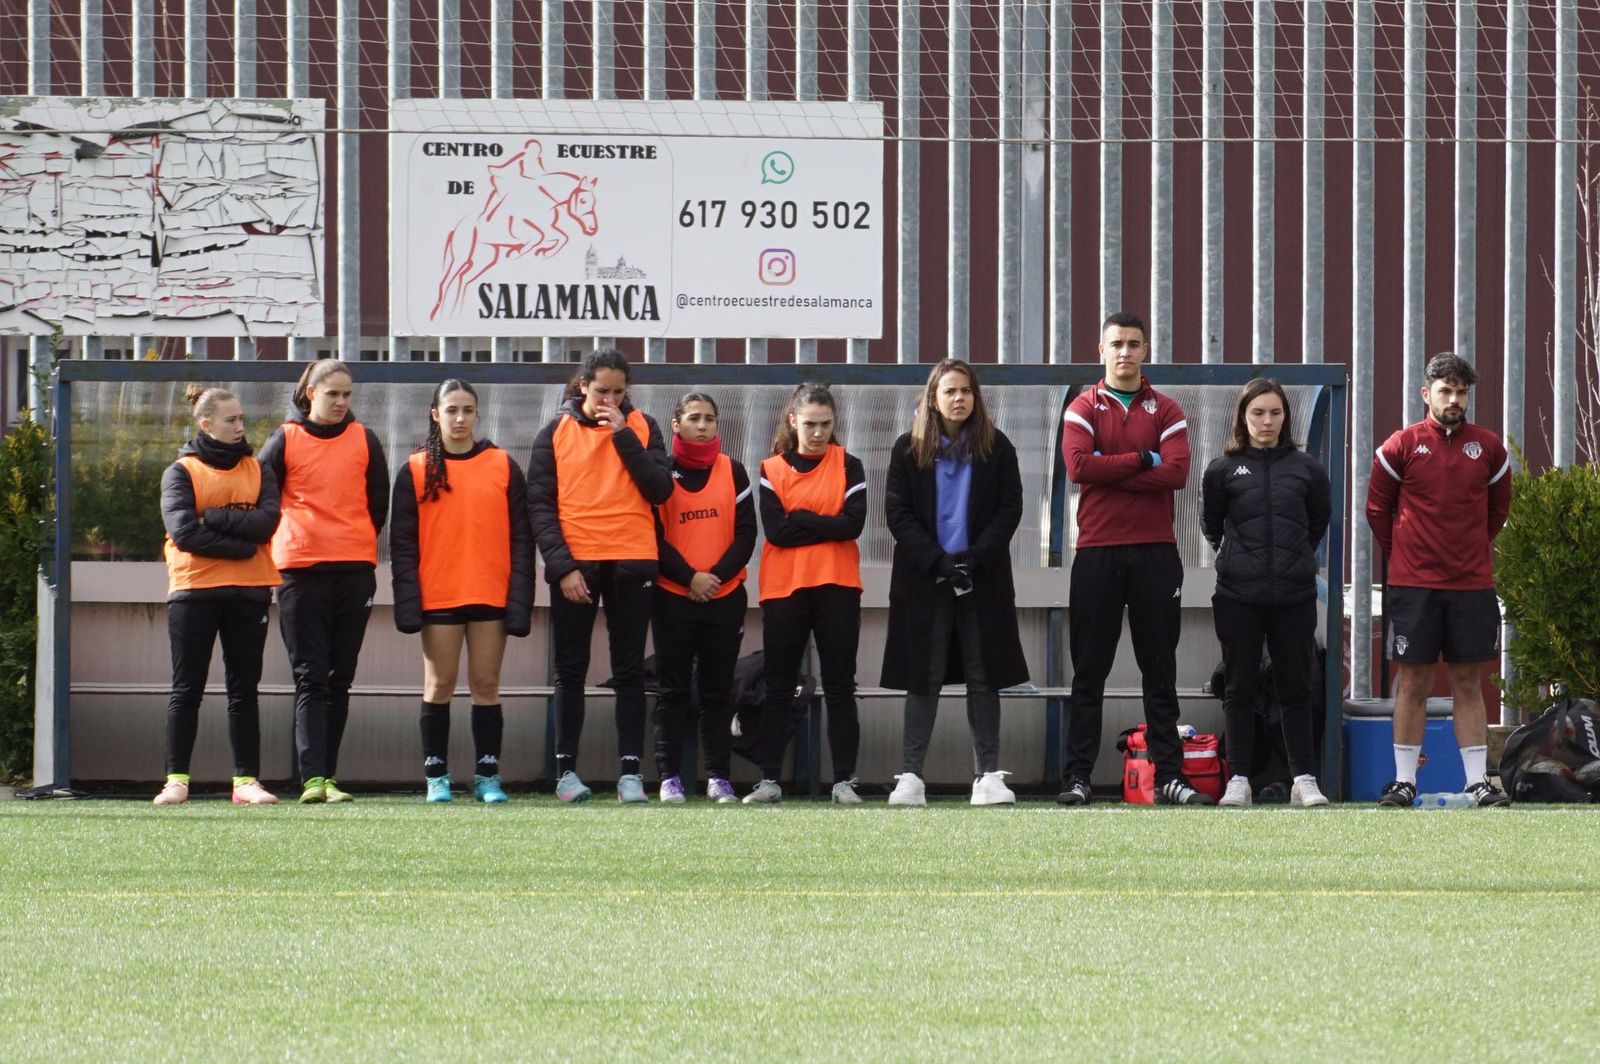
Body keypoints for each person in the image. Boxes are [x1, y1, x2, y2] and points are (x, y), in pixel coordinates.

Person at [1058, 312, 1208, 805]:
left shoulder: (1167, 409)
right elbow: (1079, 467)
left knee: (1159, 670)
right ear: (1100, 350)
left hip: (1156, 554)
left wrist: (1110, 469)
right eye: (1116, 343)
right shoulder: (1082, 406)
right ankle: (1078, 777)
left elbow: (1178, 475)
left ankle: (1169, 775)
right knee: (1088, 671)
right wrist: (1145, 459)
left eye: (1134, 343)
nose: (1125, 352)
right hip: (1097, 553)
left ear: (1146, 350)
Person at [1365, 352, 1512, 807]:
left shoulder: (1489, 449)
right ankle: (1405, 781)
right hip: (1415, 586)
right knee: (1413, 682)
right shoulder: (1400, 445)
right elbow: (1376, 509)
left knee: (1469, 682)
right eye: (1445, 391)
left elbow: (1497, 513)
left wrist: (1464, 553)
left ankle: (1477, 783)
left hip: (1472, 584)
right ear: (1426, 393)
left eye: (1461, 392)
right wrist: (1409, 555)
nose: (1453, 399)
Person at [528, 349, 673, 804]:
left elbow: (661, 488)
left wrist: (624, 435)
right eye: (602, 390)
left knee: (629, 670)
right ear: (583, 386)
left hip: (632, 559)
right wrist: (563, 566)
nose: (610, 398)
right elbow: (540, 506)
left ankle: (630, 773)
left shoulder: (643, 427)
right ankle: (566, 773)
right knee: (569, 670)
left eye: (619, 391)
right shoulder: (554, 431)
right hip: (578, 565)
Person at [882, 358, 1028, 806]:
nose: (959, 398)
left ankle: (987, 776)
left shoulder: (997, 447)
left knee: (984, 676)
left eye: (966, 390)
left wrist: (974, 559)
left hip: (981, 580)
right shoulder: (908, 448)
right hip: (925, 580)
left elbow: (1010, 507)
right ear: (933, 398)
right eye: (950, 391)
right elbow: (897, 513)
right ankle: (911, 777)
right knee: (922, 677)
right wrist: (938, 561)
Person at [390, 379, 534, 804]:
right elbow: (402, 544)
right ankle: (436, 776)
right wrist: (409, 601)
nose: (459, 418)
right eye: (451, 409)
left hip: (490, 593)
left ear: (477, 414)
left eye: (467, 410)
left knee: (487, 685)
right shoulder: (415, 469)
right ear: (435, 414)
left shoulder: (503, 465)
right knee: (438, 686)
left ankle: (488, 777)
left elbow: (521, 540)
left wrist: (517, 598)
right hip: (438, 596)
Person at [258, 358, 389, 804]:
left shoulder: (365, 439)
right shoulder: (284, 438)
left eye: (347, 394)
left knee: (340, 676)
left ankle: (328, 778)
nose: (340, 402)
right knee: (310, 675)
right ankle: (312, 779)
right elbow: (262, 499)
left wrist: (350, 539)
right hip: (300, 569)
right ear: (310, 392)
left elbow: (378, 504)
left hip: (354, 569)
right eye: (332, 393)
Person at [1201, 378, 1332, 808]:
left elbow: (1316, 523)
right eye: (1258, 412)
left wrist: (1291, 561)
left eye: (1275, 412)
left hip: (1294, 596)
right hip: (1239, 596)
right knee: (1239, 688)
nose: (1267, 421)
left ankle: (1303, 778)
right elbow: (1212, 527)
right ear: (1243, 416)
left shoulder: (1307, 469)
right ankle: (1238, 778)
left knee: (1296, 687)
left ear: (1286, 418)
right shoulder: (1222, 470)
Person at [153, 385, 282, 806]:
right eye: (231, 420)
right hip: (194, 590)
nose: (240, 426)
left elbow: (267, 523)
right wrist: (243, 547)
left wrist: (216, 517)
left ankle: (245, 782)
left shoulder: (259, 468)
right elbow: (184, 532)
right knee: (186, 687)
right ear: (206, 424)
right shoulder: (180, 472)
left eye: (242, 419)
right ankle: (176, 780)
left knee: (244, 688)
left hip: (249, 591)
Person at [745, 383, 867, 804]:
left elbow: (852, 525)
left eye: (826, 424)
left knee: (840, 685)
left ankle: (845, 781)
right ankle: (769, 780)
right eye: (810, 424)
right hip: (784, 589)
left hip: (837, 586)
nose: (818, 432)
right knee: (778, 684)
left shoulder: (850, 465)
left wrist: (800, 514)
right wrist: (823, 522)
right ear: (793, 421)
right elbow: (776, 530)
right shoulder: (770, 468)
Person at [651, 392, 757, 803]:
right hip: (673, 595)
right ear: (675, 424)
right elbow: (653, 538)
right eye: (693, 418)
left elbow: (746, 533)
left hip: (724, 595)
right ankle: (669, 777)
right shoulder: (660, 474)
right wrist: (689, 578)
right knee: (673, 691)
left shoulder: (734, 471)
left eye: (709, 419)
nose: (702, 425)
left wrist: (713, 579)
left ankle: (718, 777)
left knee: (718, 692)